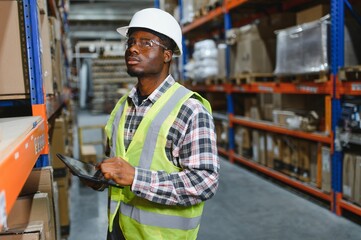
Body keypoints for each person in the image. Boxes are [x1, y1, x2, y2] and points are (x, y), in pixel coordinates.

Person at [96, 8, 219, 240]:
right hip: (119, 229)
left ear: (167, 55)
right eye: (131, 42)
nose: (133, 48)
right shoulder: (123, 105)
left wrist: (135, 177)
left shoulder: (189, 109)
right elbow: (122, 160)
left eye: (146, 43)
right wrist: (104, 176)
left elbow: (204, 182)